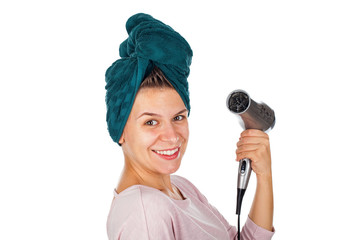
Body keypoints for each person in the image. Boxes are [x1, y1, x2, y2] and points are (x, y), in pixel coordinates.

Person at [105, 13, 275, 240]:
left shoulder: (181, 187)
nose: (171, 136)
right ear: (121, 131)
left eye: (178, 117)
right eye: (151, 122)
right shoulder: (145, 211)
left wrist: (264, 176)